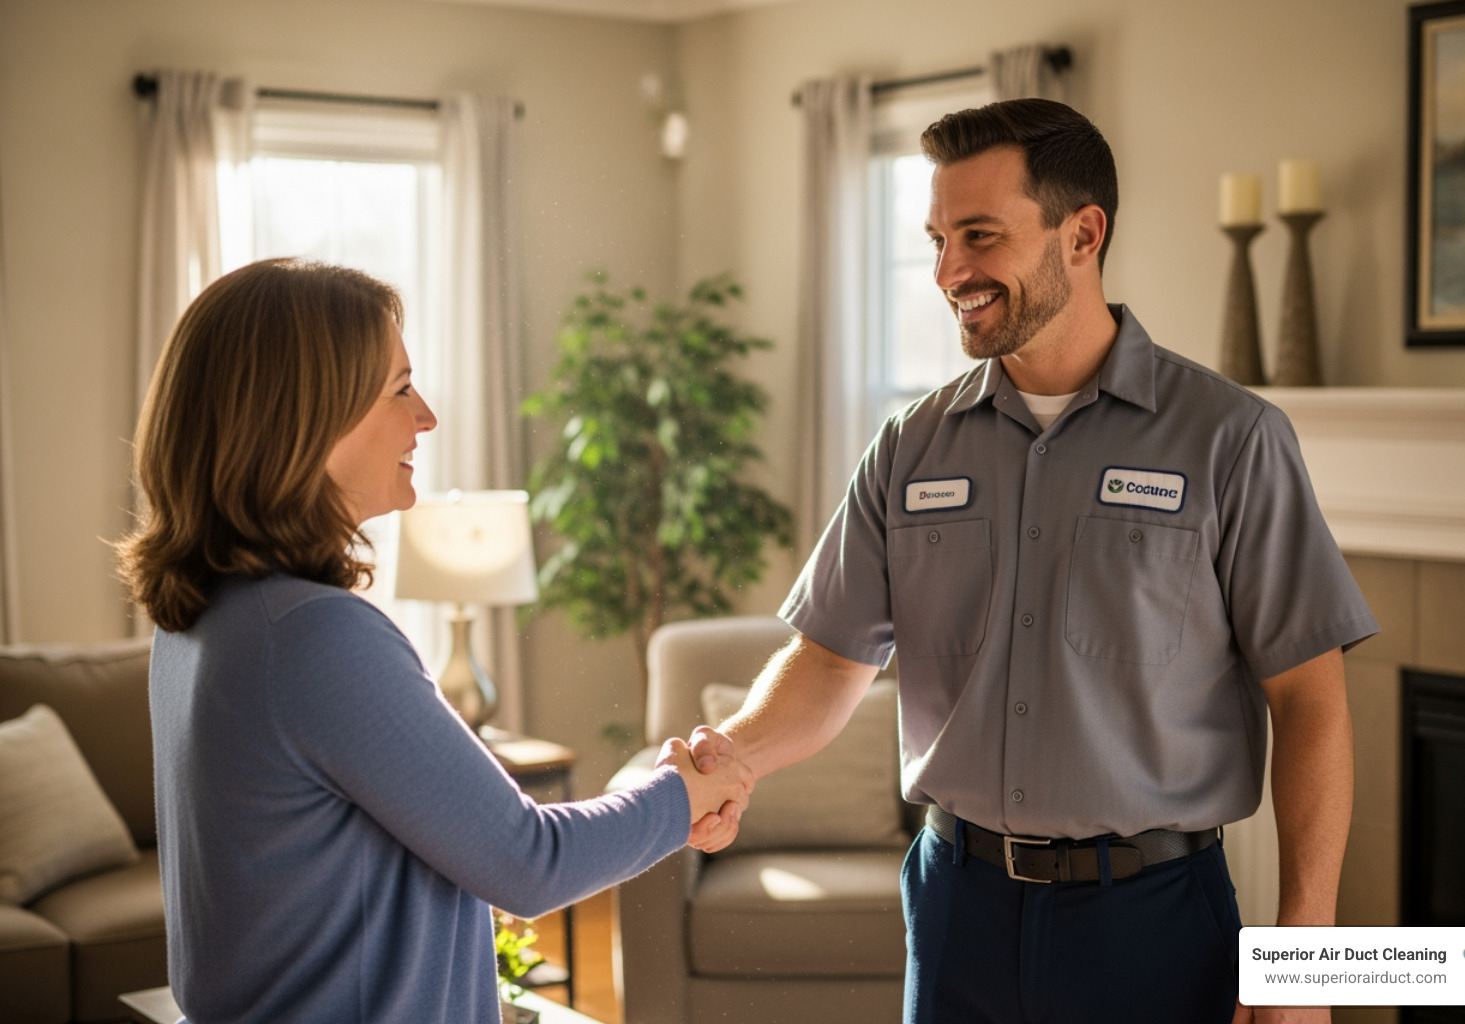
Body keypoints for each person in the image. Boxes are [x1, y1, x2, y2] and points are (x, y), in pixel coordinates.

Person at [686, 99, 1378, 1024]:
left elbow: (1310, 698)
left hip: (1153, 922)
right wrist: (725, 756)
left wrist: (1305, 952)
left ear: (1083, 233)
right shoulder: (910, 447)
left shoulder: (1232, 440)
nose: (948, 272)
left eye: (979, 235)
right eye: (936, 239)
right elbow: (828, 659)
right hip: (956, 906)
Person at [117, 257, 749, 1024]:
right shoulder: (311, 637)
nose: (426, 416)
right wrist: (679, 796)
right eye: (398, 389)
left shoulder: (205, 619)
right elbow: (528, 862)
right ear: (302, 420)